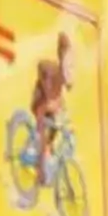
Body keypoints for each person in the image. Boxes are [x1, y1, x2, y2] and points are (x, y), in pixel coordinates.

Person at [29, 26, 75, 171]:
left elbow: (62, 99)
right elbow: (41, 67)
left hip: (51, 109)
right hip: (40, 104)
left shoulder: (65, 77)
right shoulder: (50, 70)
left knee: (58, 126)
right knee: (45, 128)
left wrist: (66, 121)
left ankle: (47, 150)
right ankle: (35, 156)